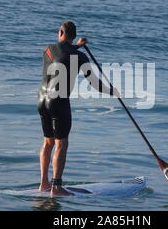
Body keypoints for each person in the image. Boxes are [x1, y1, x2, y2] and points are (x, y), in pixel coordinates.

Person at [37, 21, 119, 196]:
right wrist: (112, 91)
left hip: (41, 100)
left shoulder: (48, 49)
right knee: (61, 144)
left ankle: (43, 184)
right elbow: (95, 83)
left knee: (48, 142)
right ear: (73, 36)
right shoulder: (79, 57)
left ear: (60, 32)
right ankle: (56, 188)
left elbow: (63, 53)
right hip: (58, 102)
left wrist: (76, 47)